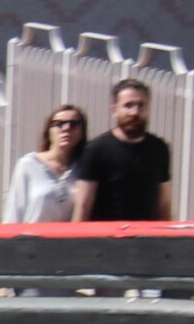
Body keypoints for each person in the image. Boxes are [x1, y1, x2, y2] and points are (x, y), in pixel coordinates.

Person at [74, 79, 173, 222]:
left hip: (147, 239)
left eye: (141, 106)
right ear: (114, 110)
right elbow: (83, 205)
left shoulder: (159, 148)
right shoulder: (96, 149)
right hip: (107, 239)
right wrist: (75, 242)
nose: (135, 112)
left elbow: (164, 204)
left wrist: (168, 240)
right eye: (128, 106)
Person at [5, 104, 86, 223]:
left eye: (73, 124)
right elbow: (14, 213)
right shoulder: (28, 164)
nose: (66, 128)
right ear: (49, 131)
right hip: (32, 239)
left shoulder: (84, 170)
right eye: (59, 124)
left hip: (68, 240)